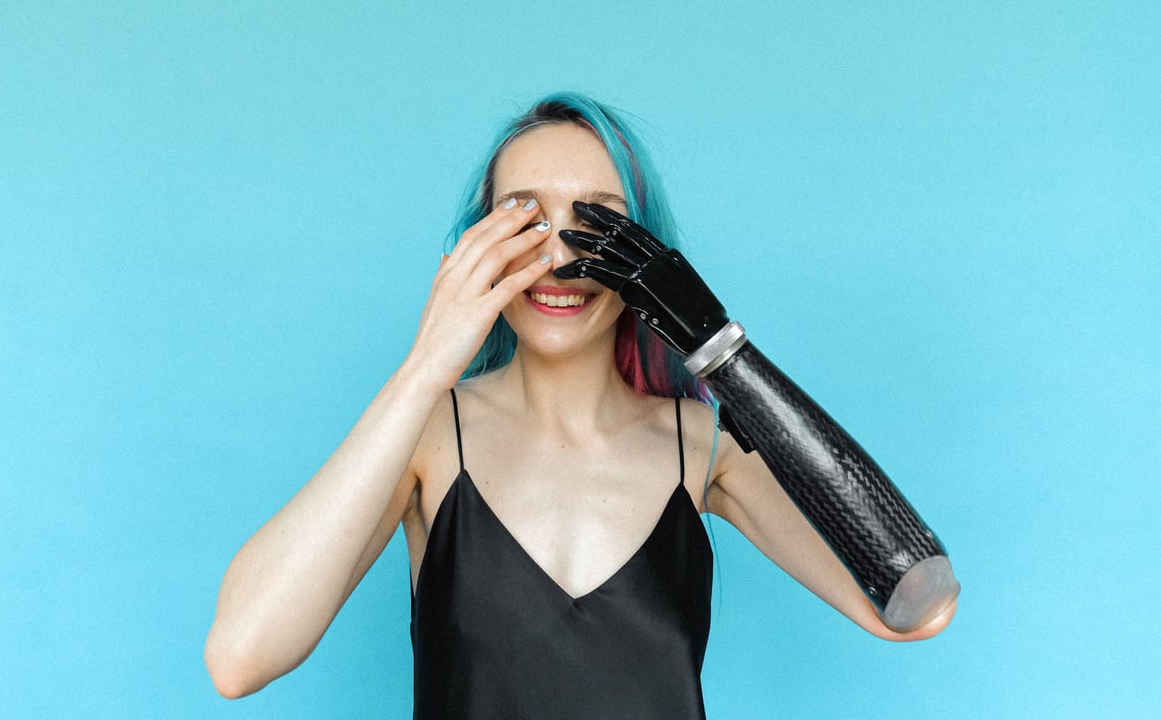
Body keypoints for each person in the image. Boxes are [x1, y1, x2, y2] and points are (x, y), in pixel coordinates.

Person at [204, 92, 958, 717]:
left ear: (645, 255)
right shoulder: (427, 439)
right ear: (478, 243)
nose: (560, 257)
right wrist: (425, 367)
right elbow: (240, 657)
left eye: (596, 221)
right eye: (523, 218)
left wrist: (720, 350)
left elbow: (916, 601)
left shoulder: (702, 449)